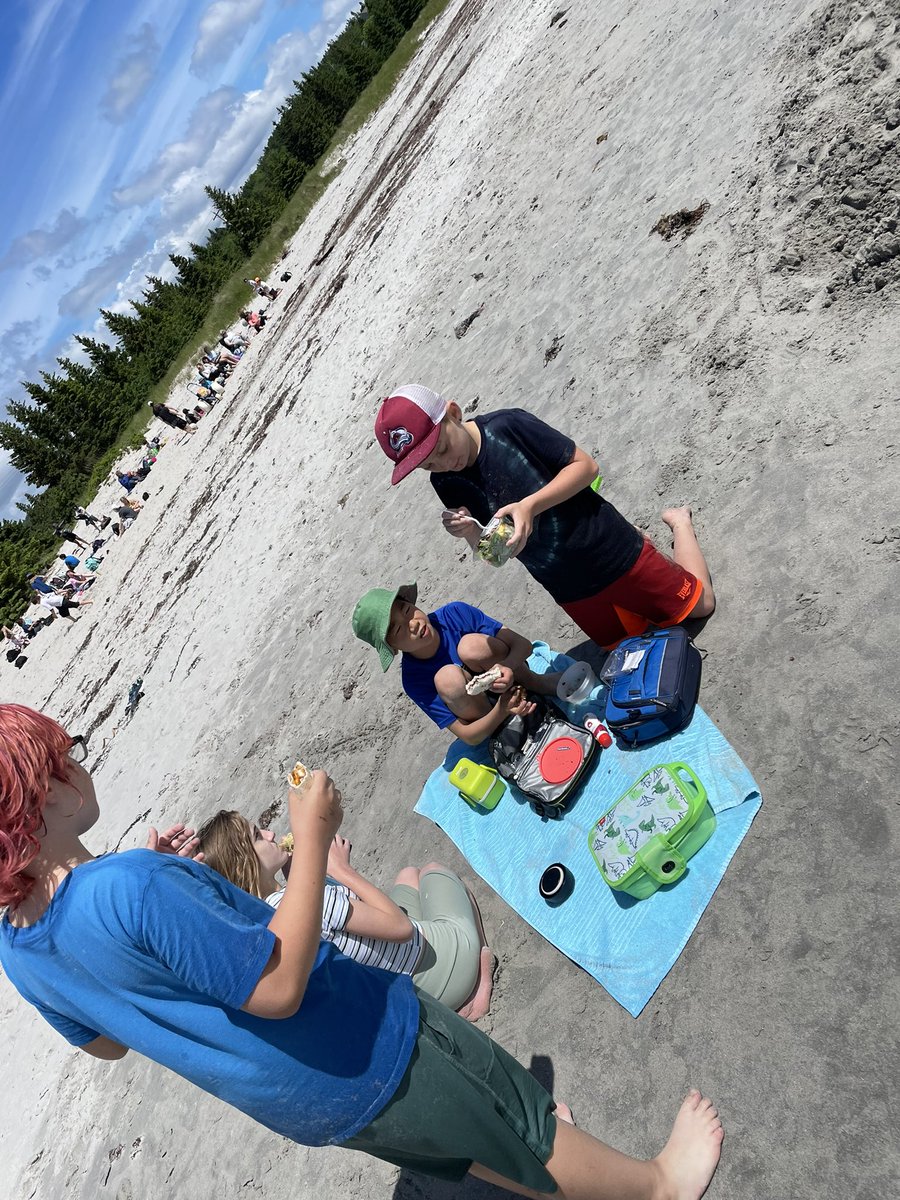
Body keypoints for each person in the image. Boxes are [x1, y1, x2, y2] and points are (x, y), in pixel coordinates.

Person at [0, 706, 723, 1200]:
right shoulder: (130, 886)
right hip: (358, 1045)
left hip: (304, 1103)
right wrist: (311, 836)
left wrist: (163, 904)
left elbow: (104, 1043)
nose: (76, 762)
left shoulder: (18, 943)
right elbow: (280, 985)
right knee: (519, 1119)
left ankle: (536, 1170)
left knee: (453, 1143)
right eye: (66, 754)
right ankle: (658, 1185)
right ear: (44, 792)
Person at [374, 385, 716, 651]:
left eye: (443, 449)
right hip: (567, 586)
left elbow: (586, 467)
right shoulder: (445, 482)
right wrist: (469, 534)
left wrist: (530, 506)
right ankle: (646, 552)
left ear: (453, 413)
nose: (444, 464)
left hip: (609, 549)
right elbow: (495, 554)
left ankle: (679, 523)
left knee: (698, 608)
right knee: (633, 646)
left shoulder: (507, 426)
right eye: (428, 465)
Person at [195, 810, 493, 1020]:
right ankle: (477, 984)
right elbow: (400, 928)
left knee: (408, 875)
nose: (271, 833)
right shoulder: (310, 900)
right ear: (244, 863)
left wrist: (303, 873)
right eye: (257, 835)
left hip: (405, 992)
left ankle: (463, 985)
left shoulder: (267, 919)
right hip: (438, 970)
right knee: (433, 871)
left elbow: (341, 933)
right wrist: (341, 870)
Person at [352, 582, 561, 745]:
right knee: (447, 678)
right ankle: (505, 727)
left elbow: (523, 645)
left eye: (406, 610)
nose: (413, 625)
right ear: (392, 648)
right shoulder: (413, 680)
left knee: (470, 646)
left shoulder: (454, 614)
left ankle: (536, 683)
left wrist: (506, 665)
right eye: (398, 630)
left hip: (511, 673)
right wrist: (501, 710)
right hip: (487, 714)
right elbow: (468, 736)